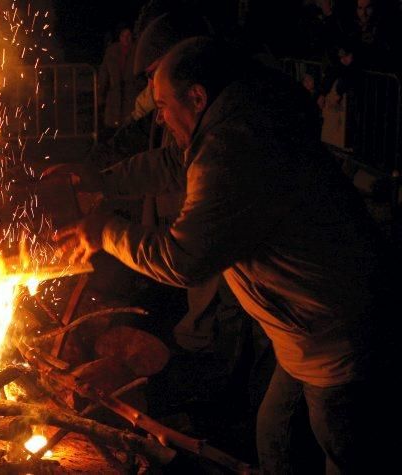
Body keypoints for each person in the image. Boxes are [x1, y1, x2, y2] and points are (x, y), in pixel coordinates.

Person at [55, 37, 398, 473]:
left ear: (196, 97)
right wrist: (100, 181)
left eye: (162, 104)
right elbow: (172, 163)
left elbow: (183, 258)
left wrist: (105, 231)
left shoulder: (236, 148)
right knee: (276, 434)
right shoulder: (235, 121)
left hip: (337, 339)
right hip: (304, 334)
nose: (158, 115)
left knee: (341, 450)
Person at [98, 25, 137, 142]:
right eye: (123, 36)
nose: (126, 38)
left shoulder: (136, 51)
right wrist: (101, 93)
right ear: (120, 37)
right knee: (113, 125)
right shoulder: (112, 51)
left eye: (129, 36)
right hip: (114, 93)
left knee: (128, 124)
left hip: (131, 94)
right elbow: (104, 73)